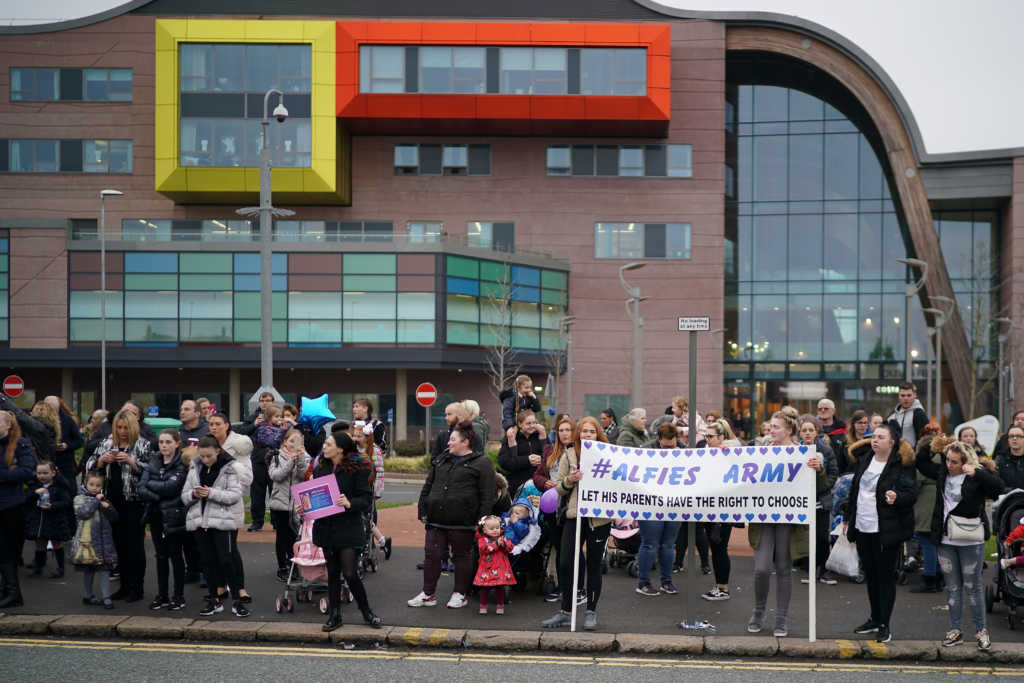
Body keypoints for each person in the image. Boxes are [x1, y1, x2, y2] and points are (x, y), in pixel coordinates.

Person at [747, 406, 826, 637]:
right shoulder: (761, 451)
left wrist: (817, 470)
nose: (771, 430)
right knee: (761, 569)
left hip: (788, 520)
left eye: (776, 427)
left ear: (789, 429)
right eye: (770, 426)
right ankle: (758, 611)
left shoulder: (803, 453)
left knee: (783, 568)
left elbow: (817, 487)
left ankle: (781, 618)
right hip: (763, 518)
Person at [918, 439, 1003, 651]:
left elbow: (998, 488)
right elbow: (921, 462)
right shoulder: (942, 474)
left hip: (970, 540)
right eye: (947, 460)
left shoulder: (976, 476)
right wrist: (933, 442)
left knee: (972, 587)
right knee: (953, 588)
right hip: (946, 540)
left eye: (954, 462)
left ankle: (981, 631)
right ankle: (955, 631)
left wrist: (977, 473)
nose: (949, 465)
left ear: (965, 462)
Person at [409, 421, 495, 610]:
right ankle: (428, 594)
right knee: (432, 555)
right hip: (436, 519)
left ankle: (460, 594)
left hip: (463, 521)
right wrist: (422, 508)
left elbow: (487, 495)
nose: (449, 443)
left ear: (465, 442)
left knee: (461, 556)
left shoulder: (482, 463)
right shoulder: (441, 459)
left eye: (453, 440)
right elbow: (428, 485)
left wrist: (482, 520)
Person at [845, 422, 917, 643]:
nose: (875, 440)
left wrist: (897, 497)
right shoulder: (866, 458)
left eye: (881, 437)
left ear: (892, 442)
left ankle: (885, 623)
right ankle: (874, 618)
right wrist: (849, 518)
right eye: (873, 436)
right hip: (863, 525)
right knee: (871, 576)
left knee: (885, 578)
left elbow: (911, 494)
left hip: (886, 529)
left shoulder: (901, 464)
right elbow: (855, 489)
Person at [542, 416, 612, 632]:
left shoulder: (609, 455)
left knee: (593, 564)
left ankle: (591, 611)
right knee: (566, 563)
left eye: (592, 431)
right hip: (574, 514)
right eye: (584, 432)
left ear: (598, 434)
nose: (587, 435)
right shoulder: (569, 454)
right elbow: (559, 488)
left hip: (599, 518)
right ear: (578, 434)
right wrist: (570, 481)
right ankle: (565, 612)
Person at [307, 429, 381, 631]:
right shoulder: (321, 467)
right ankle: (335, 615)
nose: (324, 447)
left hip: (348, 526)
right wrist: (305, 505)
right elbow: (315, 494)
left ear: (340, 449)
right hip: (326, 526)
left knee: (349, 573)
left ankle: (367, 613)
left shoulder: (357, 468)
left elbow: (366, 500)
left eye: (328, 444)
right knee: (332, 573)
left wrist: (349, 502)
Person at [85, 409, 152, 602]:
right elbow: (89, 464)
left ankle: (136, 588)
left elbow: (151, 469)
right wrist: (101, 460)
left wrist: (132, 462)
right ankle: (123, 586)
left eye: (125, 428)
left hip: (133, 501)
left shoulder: (142, 444)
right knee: (117, 545)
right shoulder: (106, 443)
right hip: (110, 501)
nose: (122, 431)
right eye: (119, 428)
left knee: (134, 546)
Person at [182, 436, 247, 618]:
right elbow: (184, 495)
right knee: (208, 562)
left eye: (209, 456)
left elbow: (234, 495)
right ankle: (214, 600)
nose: (205, 460)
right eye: (202, 456)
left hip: (222, 522)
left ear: (218, 451)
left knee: (226, 560)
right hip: (200, 521)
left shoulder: (229, 468)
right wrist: (194, 494)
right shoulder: (195, 467)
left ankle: (236, 601)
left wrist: (211, 493)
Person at [138, 428, 188, 611]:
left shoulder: (181, 463)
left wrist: (154, 486)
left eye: (168, 442)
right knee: (160, 556)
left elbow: (172, 488)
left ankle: (179, 595)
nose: (164, 445)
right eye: (161, 442)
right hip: (156, 515)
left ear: (177, 443)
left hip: (174, 516)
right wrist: (157, 492)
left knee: (176, 556)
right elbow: (141, 487)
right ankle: (162, 595)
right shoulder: (154, 460)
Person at [207, 413, 253, 604]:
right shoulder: (206, 444)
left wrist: (227, 462)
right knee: (213, 550)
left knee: (230, 549)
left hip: (230, 504)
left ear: (227, 425)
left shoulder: (239, 447)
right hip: (209, 503)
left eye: (218, 424)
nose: (214, 427)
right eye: (211, 424)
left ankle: (240, 588)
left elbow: (247, 479)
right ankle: (219, 585)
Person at [635, 421, 684, 597]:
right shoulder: (646, 450)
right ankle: (643, 581)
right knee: (650, 544)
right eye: (665, 447)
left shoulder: (683, 451)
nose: (669, 451)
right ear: (659, 440)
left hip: (673, 502)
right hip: (650, 503)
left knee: (668, 545)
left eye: (672, 447)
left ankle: (666, 580)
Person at [700, 419, 742, 600]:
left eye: (710, 436)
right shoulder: (705, 451)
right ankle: (719, 586)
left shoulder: (731, 453)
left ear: (721, 437)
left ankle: (723, 588)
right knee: (715, 547)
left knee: (719, 547)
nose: (706, 440)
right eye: (705, 436)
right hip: (709, 507)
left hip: (724, 508)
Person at [797, 415, 839, 585]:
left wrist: (822, 487)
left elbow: (833, 472)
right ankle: (811, 570)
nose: (807, 433)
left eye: (811, 430)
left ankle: (824, 570)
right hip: (801, 502)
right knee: (807, 537)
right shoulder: (794, 450)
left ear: (816, 432)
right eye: (804, 430)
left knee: (822, 536)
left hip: (821, 500)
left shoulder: (826, 450)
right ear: (799, 433)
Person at [0, 411, 34, 608]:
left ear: (8, 425)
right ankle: (7, 590)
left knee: (8, 550)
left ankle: (14, 593)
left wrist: (3, 476)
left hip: (12, 505)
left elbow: (27, 471)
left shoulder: (20, 444)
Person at [268, 428, 311, 581]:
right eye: (291, 441)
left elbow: (304, 475)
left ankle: (294, 564)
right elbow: (276, 475)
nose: (294, 444)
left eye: (298, 441)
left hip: (297, 504)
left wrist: (299, 459)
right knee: (282, 536)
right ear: (285, 442)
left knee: (295, 536)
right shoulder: (277, 456)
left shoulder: (305, 457)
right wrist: (290, 461)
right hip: (280, 503)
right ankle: (282, 566)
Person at [72, 470, 118, 609]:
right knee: (88, 570)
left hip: (104, 543)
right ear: (85, 484)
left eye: (98, 485)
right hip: (88, 543)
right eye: (91, 484)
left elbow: (115, 517)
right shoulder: (79, 499)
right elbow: (84, 513)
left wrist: (108, 507)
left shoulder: (104, 500)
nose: (95, 487)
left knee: (104, 570)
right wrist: (96, 501)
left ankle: (106, 597)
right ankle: (87, 595)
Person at [909, 433, 949, 594]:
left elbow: (916, 485)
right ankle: (940, 577)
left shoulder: (923, 464)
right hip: (940, 504)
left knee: (927, 543)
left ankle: (929, 579)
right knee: (938, 544)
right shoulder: (944, 460)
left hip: (926, 507)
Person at [24, 460, 73, 578]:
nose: (42, 476)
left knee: (56, 544)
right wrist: (35, 493)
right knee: (40, 544)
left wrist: (53, 505)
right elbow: (26, 499)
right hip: (38, 521)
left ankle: (60, 568)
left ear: (53, 473)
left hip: (54, 520)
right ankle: (38, 567)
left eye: (45, 473)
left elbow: (67, 502)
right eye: (39, 473)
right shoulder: (34, 486)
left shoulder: (59, 487)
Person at [352, 420, 391, 560]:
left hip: (369, 488)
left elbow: (379, 472)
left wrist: (377, 492)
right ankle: (382, 541)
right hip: (355, 488)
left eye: (359, 436)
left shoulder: (374, 450)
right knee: (360, 517)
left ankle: (379, 542)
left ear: (367, 437)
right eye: (354, 435)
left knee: (367, 517)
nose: (356, 438)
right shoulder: (352, 449)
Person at [498, 409, 546, 496]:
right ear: (520, 424)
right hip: (517, 487)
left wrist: (543, 437)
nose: (532, 426)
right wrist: (527, 460)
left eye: (534, 423)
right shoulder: (511, 437)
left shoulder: (539, 436)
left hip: (538, 486)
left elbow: (550, 458)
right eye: (528, 423)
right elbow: (504, 462)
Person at [475, 514, 515, 615]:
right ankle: (483, 605)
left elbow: (510, 548)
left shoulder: (503, 538)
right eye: (491, 528)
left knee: (500, 588)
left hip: (500, 568)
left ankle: (500, 605)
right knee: (485, 588)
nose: (495, 530)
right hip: (487, 568)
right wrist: (496, 544)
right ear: (484, 530)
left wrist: (504, 544)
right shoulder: (482, 540)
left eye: (497, 527)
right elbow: (485, 549)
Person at [44, 395, 83, 487]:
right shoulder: (41, 420)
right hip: (46, 462)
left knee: (68, 489)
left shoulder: (68, 420)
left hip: (65, 463)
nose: (53, 413)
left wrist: (67, 446)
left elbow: (79, 441)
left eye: (54, 409)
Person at [887, 382, 929, 449]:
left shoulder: (918, 413)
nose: (906, 398)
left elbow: (925, 439)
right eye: (903, 395)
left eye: (909, 395)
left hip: (912, 456)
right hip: (893, 454)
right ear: (899, 396)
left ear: (915, 395)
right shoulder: (892, 415)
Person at [995, 424, 1024, 490]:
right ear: (1008, 440)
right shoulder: (1000, 459)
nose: (1014, 438)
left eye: (1018, 436)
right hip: (1007, 498)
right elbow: (996, 483)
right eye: (1011, 436)